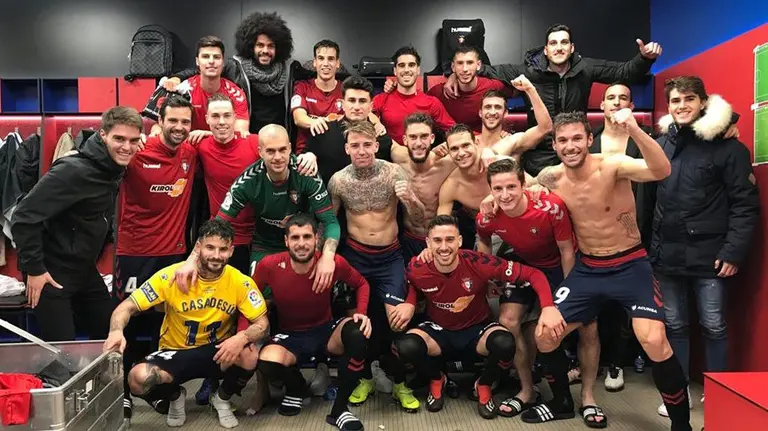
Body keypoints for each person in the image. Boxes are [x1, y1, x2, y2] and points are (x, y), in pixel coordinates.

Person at [489, 111, 692, 431]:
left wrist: (636, 130)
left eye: (576, 139)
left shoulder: (611, 164)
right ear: (554, 145)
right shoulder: (551, 177)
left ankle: (682, 425)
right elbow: (515, 191)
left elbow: (661, 169)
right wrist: (492, 200)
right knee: (545, 334)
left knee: (653, 340)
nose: (570, 146)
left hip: (629, 264)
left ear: (588, 139)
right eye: (563, 140)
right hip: (589, 268)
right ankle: (561, 404)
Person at [651, 76, 759, 416]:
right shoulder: (661, 144)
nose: (681, 106)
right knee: (676, 326)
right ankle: (678, 393)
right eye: (675, 100)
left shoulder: (729, 147)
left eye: (688, 99)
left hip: (711, 256)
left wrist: (733, 251)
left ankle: (719, 393)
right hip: (666, 254)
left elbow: (745, 204)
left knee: (714, 326)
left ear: (702, 102)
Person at [103, 219, 269, 429]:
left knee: (249, 353)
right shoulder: (172, 275)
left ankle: (222, 398)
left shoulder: (240, 281)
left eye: (223, 249)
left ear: (231, 251)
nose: (216, 255)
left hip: (216, 350)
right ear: (198, 247)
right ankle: (175, 396)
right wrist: (116, 331)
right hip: (175, 350)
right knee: (138, 378)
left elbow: (262, 324)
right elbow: (125, 307)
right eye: (210, 247)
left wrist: (241, 337)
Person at [397, 215, 565, 419]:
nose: (444, 247)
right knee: (406, 346)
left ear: (459, 240)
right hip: (439, 333)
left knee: (505, 343)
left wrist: (548, 307)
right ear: (428, 243)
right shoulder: (417, 267)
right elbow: (415, 283)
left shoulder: (479, 262)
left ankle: (484, 384)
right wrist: (410, 302)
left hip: (476, 332)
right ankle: (437, 378)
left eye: (450, 240)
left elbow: (534, 275)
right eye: (437, 241)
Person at [444, 23, 662, 175]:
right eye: (554, 43)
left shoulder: (586, 68)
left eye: (564, 42)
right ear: (546, 50)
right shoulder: (529, 72)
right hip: (540, 154)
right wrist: (452, 74)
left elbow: (624, 73)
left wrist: (644, 59)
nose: (559, 47)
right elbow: (487, 71)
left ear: (572, 47)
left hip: (575, 148)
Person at [11, 106, 143, 342]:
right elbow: (23, 216)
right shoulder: (73, 170)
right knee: (62, 354)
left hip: (83, 269)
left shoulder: (112, 169)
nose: (127, 147)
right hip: (51, 272)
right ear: (103, 135)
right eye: (119, 139)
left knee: (110, 335)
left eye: (134, 140)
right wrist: (35, 269)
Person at [471, 158, 589, 418]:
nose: (505, 195)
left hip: (560, 265)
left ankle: (587, 396)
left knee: (582, 326)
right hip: (525, 265)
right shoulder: (487, 215)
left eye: (511, 187)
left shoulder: (550, 207)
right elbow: (482, 240)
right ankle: (527, 390)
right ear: (489, 189)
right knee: (508, 321)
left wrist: (565, 296)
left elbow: (567, 251)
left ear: (524, 184)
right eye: (498, 189)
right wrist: (490, 277)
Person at [328, 120, 425, 411]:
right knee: (359, 324)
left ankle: (399, 382)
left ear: (376, 145)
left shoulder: (394, 172)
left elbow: (419, 219)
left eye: (366, 144)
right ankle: (365, 378)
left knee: (396, 321)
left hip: (390, 256)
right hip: (355, 257)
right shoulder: (338, 181)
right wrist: (326, 257)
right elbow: (331, 223)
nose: (361, 150)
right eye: (355, 145)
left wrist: (410, 199)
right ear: (347, 149)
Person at [114, 95, 196, 418]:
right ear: (159, 121)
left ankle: (153, 390)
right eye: (172, 120)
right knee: (130, 326)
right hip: (135, 254)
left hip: (174, 255)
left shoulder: (191, 152)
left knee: (164, 328)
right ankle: (122, 391)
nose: (179, 127)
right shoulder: (136, 153)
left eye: (186, 122)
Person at [254, 214, 371, 430]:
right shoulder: (269, 265)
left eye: (307, 237)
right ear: (286, 241)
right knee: (266, 362)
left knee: (358, 332)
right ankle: (297, 388)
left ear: (316, 239)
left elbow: (362, 283)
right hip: (291, 336)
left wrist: (361, 313)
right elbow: (248, 297)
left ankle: (340, 410)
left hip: (326, 332)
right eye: (295, 237)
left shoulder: (331, 263)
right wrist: (251, 330)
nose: (301, 244)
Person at [589, 82, 656, 392]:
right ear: (601, 106)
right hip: (591, 237)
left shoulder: (643, 142)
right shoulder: (589, 144)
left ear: (632, 104)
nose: (616, 103)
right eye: (610, 98)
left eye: (623, 98)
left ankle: (617, 362)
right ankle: (588, 362)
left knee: (624, 309)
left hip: (632, 239)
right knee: (592, 306)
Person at [164, 12, 294, 133]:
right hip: (246, 136)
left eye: (271, 46)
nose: (265, 50)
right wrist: (177, 77)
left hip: (279, 136)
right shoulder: (236, 66)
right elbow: (208, 69)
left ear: (279, 48)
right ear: (251, 46)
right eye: (260, 45)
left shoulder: (289, 70)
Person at [197, 93, 261, 275]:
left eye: (227, 115)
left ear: (235, 117)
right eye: (215, 116)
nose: (222, 121)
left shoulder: (254, 143)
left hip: (258, 239)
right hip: (221, 238)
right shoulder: (200, 145)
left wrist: (308, 156)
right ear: (207, 118)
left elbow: (283, 154)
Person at [153, 36, 249, 140]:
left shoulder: (236, 94)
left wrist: (207, 135)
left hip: (222, 149)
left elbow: (240, 133)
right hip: (186, 146)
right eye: (206, 56)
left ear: (223, 62)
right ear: (197, 61)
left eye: (216, 57)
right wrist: (156, 130)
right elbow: (159, 125)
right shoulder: (183, 90)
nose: (211, 61)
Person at [306, 75, 394, 184]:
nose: (356, 107)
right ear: (343, 104)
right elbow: (304, 159)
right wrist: (308, 155)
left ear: (371, 106)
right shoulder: (322, 132)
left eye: (362, 101)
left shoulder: (380, 138)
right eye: (352, 100)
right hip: (330, 199)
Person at [373, 46, 456, 141]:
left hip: (422, 154)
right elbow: (363, 117)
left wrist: (443, 147)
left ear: (418, 70)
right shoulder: (381, 99)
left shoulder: (432, 103)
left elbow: (455, 132)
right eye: (401, 65)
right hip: (389, 155)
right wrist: (375, 122)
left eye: (411, 65)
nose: (406, 70)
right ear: (395, 71)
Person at [427, 45, 512, 133]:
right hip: (453, 143)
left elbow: (517, 92)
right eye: (460, 63)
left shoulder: (493, 86)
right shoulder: (438, 92)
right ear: (453, 67)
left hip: (483, 143)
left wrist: (504, 131)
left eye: (470, 63)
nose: (465, 69)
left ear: (478, 65)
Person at [291, 39, 344, 154]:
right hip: (306, 153)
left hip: (337, 152)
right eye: (321, 58)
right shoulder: (302, 87)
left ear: (337, 63)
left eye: (331, 59)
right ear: (314, 62)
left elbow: (365, 112)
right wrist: (315, 122)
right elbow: (298, 118)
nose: (326, 64)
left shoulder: (346, 90)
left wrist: (378, 124)